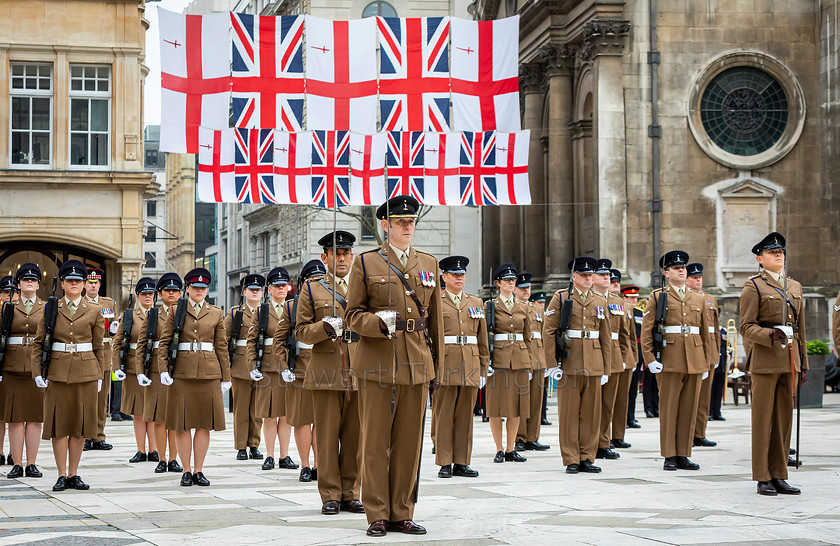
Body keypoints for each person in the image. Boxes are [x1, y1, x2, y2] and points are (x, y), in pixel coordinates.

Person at [345, 195, 443, 537]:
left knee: (408, 442)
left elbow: (435, 323)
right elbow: (352, 315)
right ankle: (377, 514)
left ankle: (402, 511)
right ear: (385, 225)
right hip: (376, 362)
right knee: (374, 441)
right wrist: (377, 323)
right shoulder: (366, 262)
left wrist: (438, 369)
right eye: (400, 221)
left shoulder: (429, 263)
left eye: (411, 221)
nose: (407, 226)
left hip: (417, 362)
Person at [295, 231, 365, 514]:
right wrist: (324, 327)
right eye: (336, 253)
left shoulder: (365, 287)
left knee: (355, 436)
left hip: (360, 370)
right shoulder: (312, 289)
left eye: (347, 253)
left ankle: (351, 492)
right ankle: (330, 495)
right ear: (325, 258)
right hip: (325, 370)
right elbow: (300, 331)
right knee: (325, 437)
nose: (342, 258)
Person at [739, 232, 806, 496]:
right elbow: (745, 326)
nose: (779, 254)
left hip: (790, 360)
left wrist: (804, 364)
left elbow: (800, 328)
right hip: (765, 360)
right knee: (763, 420)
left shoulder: (795, 287)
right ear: (760, 258)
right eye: (772, 252)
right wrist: (768, 335)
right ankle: (762, 476)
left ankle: (779, 474)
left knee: (783, 421)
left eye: (781, 251)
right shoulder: (753, 286)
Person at [32, 260, 104, 491]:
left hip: (86, 372)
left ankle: (74, 473)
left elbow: (98, 346)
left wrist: (100, 375)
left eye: (78, 281)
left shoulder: (94, 310)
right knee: (60, 424)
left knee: (80, 424)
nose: (74, 284)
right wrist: (37, 372)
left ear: (84, 285)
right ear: (62, 283)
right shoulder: (51, 309)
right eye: (70, 280)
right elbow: (38, 343)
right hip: (58, 371)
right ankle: (61, 474)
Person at [641, 250, 714, 471]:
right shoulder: (657, 296)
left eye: (683, 268)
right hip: (669, 358)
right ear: (666, 272)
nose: (681, 270)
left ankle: (683, 453)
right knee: (670, 408)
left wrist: (707, 361)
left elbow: (705, 333)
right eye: (676, 268)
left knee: (689, 409)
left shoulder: (699, 298)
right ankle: (669, 454)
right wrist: (650, 358)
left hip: (694, 358)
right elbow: (647, 330)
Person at [157, 267, 230, 487]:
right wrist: (162, 370)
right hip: (182, 372)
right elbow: (164, 343)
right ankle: (186, 470)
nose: (200, 291)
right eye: (196, 287)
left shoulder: (216, 312)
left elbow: (221, 346)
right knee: (182, 424)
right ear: (187, 289)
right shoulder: (175, 311)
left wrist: (226, 376)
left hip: (208, 372)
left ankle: (199, 470)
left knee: (203, 424)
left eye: (203, 287)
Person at [543, 257, 611, 474]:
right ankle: (571, 457)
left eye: (590, 275)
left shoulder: (600, 300)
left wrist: (606, 369)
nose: (588, 279)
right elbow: (549, 331)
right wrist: (552, 363)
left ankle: (587, 456)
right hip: (570, 361)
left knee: (591, 413)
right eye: (583, 275)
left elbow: (605, 337)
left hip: (594, 361)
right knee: (570, 413)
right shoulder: (561, 297)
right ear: (574, 277)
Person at [432, 255, 489, 478]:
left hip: (471, 364)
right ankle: (445, 462)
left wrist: (484, 368)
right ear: (444, 277)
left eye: (462, 275)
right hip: (446, 364)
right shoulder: (436, 301)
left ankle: (462, 461)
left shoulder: (475, 303)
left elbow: (483, 339)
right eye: (454, 275)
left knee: (466, 417)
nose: (458, 278)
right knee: (444, 415)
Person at [276, 261, 324, 482]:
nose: (316, 283)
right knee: (303, 420)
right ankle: (305, 465)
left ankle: (319, 464)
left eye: (320, 279)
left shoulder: (334, 304)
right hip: (300, 370)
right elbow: (279, 340)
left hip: (327, 369)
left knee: (324, 421)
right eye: (311, 280)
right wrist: (284, 367)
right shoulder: (290, 307)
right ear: (303, 283)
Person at [248, 267, 298, 471]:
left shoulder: (294, 309)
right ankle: (269, 455)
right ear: (269, 289)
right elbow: (251, 341)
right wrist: (252, 366)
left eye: (283, 286)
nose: (280, 290)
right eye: (276, 286)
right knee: (269, 414)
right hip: (268, 368)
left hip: (288, 366)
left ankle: (284, 455)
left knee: (286, 415)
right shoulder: (262, 312)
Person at [485, 263, 533, 464]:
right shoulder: (490, 306)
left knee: (517, 407)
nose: (511, 283)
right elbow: (485, 335)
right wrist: (485, 359)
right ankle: (499, 448)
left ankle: (511, 448)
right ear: (498, 283)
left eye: (513, 280)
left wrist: (529, 361)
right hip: (499, 360)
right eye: (507, 280)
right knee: (496, 407)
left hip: (520, 358)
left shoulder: (523, 307)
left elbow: (528, 336)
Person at [135, 273, 182, 473]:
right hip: (156, 370)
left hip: (179, 368)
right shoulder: (153, 315)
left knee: (176, 417)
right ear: (160, 294)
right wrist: (139, 372)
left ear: (180, 293)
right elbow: (141, 344)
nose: (171, 294)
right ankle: (162, 458)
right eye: (167, 291)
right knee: (159, 417)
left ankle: (174, 458)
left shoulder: (185, 313)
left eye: (175, 290)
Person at [2, 263, 45, 478]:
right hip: (12, 367)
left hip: (37, 369)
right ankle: (17, 463)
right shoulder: (8, 308)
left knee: (35, 417)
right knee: (16, 418)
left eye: (34, 280)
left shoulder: (47, 308)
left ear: (38, 284)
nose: (30, 282)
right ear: (18, 284)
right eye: (25, 279)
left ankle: (32, 463)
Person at [113, 277, 159, 464]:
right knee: (139, 411)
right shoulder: (129, 316)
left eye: (151, 294)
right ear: (138, 296)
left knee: (154, 410)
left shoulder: (160, 314)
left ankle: (155, 449)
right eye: (144, 294)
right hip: (133, 367)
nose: (148, 297)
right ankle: (141, 449)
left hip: (155, 367)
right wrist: (117, 367)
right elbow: (118, 343)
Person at [592, 260, 633, 460]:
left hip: (615, 355)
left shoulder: (617, 302)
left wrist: (626, 357)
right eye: (602, 274)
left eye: (608, 274)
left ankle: (603, 442)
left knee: (609, 403)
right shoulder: (589, 299)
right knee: (592, 404)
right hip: (593, 353)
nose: (607, 277)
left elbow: (624, 333)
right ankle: (590, 442)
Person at [224, 274, 265, 462]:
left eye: (258, 290)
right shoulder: (235, 313)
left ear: (263, 292)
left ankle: (254, 445)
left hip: (261, 364)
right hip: (240, 366)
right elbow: (223, 341)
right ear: (245, 292)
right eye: (252, 289)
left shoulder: (267, 312)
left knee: (257, 409)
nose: (255, 292)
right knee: (241, 409)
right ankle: (241, 446)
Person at [685, 263, 721, 448]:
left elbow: (714, 328)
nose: (698, 280)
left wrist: (717, 352)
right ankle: (688, 433)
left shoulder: (710, 299)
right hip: (695, 349)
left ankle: (700, 432)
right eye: (694, 277)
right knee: (692, 396)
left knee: (705, 396)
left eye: (700, 277)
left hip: (711, 351)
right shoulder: (686, 299)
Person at [513, 272, 549, 452]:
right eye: (522, 288)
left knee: (536, 400)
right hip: (521, 358)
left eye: (528, 288)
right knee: (522, 400)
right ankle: (520, 436)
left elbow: (545, 336)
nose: (526, 291)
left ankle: (533, 437)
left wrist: (549, 361)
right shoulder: (514, 308)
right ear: (515, 289)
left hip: (539, 358)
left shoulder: (538, 310)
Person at [84, 268, 118, 452]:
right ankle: (85, 436)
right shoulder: (79, 302)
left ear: (100, 285)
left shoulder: (108, 303)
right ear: (84, 285)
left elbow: (114, 331)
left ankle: (98, 435)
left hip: (104, 352)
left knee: (101, 397)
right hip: (85, 352)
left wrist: (113, 329)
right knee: (85, 397)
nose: (93, 286)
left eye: (96, 283)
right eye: (90, 283)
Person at [607, 269, 636, 451]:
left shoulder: (626, 306)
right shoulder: (601, 302)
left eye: (617, 281)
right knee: (607, 399)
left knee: (622, 399)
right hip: (609, 354)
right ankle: (605, 436)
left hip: (624, 356)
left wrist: (633, 358)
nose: (616, 284)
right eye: (612, 281)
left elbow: (630, 335)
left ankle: (618, 435)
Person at [621, 285, 643, 429]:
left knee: (633, 389)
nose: (634, 300)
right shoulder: (621, 312)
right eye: (631, 298)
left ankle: (631, 417)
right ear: (624, 298)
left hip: (638, 352)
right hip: (625, 351)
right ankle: (622, 419)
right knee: (624, 389)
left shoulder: (640, 313)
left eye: (635, 298)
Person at [0, 276, 16, 467]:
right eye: (6, 293)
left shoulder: (20, 312)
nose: (10, 296)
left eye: (14, 293)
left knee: (14, 413)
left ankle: (14, 451)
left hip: (13, 364)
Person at [530, 291, 552, 426]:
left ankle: (542, 416)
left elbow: (546, 337)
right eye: (540, 302)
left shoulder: (542, 314)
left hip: (541, 356)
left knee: (541, 392)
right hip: (528, 356)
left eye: (544, 303)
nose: (542, 305)